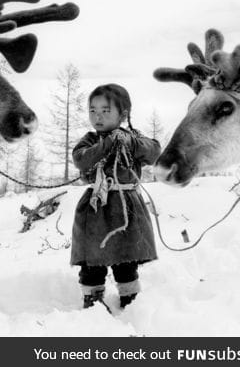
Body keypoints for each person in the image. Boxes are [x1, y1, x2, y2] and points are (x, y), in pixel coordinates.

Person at [71, 83, 161, 310]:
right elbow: (81, 159)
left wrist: (130, 142)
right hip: (95, 208)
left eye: (105, 110)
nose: (97, 116)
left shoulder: (132, 138)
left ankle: (130, 303)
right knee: (93, 260)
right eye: (93, 110)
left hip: (126, 207)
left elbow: (154, 151)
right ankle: (93, 301)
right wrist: (108, 144)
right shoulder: (90, 141)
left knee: (126, 259)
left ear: (123, 114)